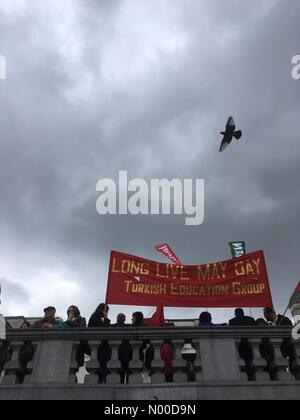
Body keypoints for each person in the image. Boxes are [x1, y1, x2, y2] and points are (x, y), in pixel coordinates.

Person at [263, 307, 297, 376]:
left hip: (288, 347)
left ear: (271, 313)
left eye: (265, 313)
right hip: (278, 349)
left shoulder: (284, 319)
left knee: (293, 365)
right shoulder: (269, 324)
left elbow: (290, 333)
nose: (264, 316)